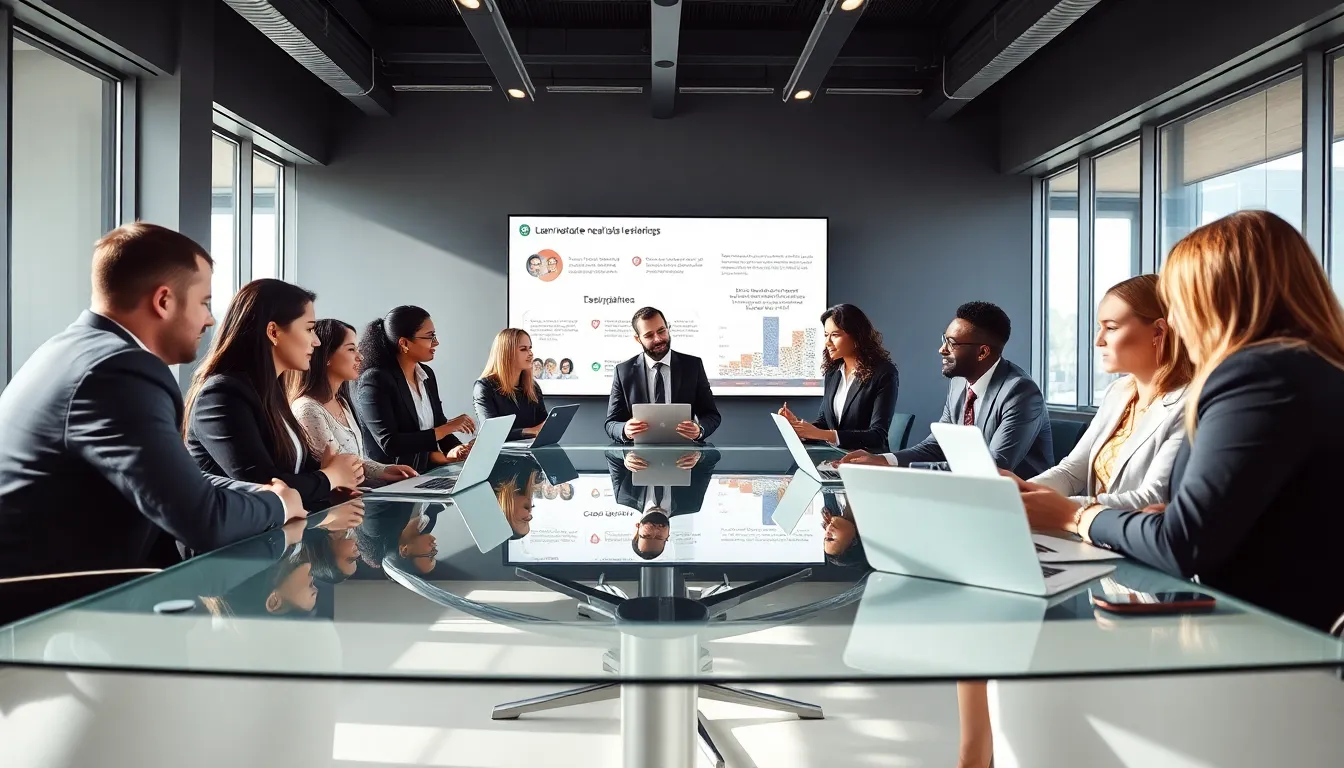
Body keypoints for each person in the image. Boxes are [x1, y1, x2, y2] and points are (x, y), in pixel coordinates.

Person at [1013, 210, 1344, 634]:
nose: (1180, 321)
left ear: (1218, 298)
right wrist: (1176, 516)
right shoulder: (1314, 367)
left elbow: (1184, 544)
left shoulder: (1254, 376)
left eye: (1182, 300)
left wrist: (1074, 517)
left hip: (1263, 635)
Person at [0, 223, 304, 622]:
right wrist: (276, 505)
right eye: (204, 302)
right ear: (164, 300)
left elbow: (178, 478)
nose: (210, 320)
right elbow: (202, 520)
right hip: (44, 617)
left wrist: (262, 492)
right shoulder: (121, 370)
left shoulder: (72, 349)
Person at [955, 275, 1193, 768]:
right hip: (1086, 538)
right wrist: (1026, 489)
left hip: (1133, 557)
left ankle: (990, 750)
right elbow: (1072, 468)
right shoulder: (1120, 393)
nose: (1098, 340)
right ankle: (976, 748)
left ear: (1159, 332)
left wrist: (1062, 511)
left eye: (1110, 327)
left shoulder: (1188, 402)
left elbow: (1153, 497)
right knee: (979, 583)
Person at [185, 280, 364, 512]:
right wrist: (329, 477)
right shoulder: (221, 395)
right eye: (309, 329)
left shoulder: (272, 393)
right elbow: (264, 485)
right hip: (235, 544)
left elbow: (293, 474)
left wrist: (330, 483)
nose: (316, 341)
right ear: (273, 332)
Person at [840, 301, 1052, 477]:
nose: (942, 350)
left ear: (982, 352)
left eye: (952, 343)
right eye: (944, 340)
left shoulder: (1020, 393)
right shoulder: (959, 383)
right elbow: (936, 445)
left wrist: (906, 471)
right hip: (967, 493)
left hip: (1020, 506)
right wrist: (885, 460)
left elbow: (993, 468)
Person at [289, 319, 420, 487]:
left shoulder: (341, 401)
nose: (360, 357)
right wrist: (383, 472)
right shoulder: (307, 409)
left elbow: (357, 461)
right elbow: (342, 468)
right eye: (351, 349)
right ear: (327, 356)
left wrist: (387, 470)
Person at [354, 305, 476, 474]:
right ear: (404, 343)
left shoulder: (427, 374)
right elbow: (390, 444)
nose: (436, 342)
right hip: (392, 482)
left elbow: (437, 425)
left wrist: (457, 449)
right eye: (430, 336)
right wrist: (448, 428)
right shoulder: (375, 380)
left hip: (425, 474)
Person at [778, 303, 899, 452]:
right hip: (835, 459)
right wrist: (798, 426)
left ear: (856, 335)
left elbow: (877, 436)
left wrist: (822, 434)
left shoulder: (884, 373)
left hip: (866, 463)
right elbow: (824, 423)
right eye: (825, 335)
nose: (827, 342)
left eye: (835, 335)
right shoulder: (833, 372)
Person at [605, 306, 721, 443]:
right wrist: (624, 430)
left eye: (661, 331)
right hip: (639, 458)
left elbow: (711, 415)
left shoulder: (693, 366)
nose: (658, 339)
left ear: (668, 328)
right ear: (638, 339)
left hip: (684, 456)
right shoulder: (623, 371)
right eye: (649, 335)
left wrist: (699, 430)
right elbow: (611, 423)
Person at [608, 448, 721, 560]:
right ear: (667, 536)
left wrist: (625, 456)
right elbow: (713, 456)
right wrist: (699, 456)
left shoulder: (624, 495)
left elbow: (610, 454)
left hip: (642, 436)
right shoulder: (691, 503)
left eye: (647, 535)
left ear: (637, 529)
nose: (656, 530)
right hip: (683, 437)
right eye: (659, 537)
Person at [474, 328, 549, 442]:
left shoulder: (533, 387)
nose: (530, 354)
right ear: (506, 353)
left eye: (530, 348)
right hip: (499, 456)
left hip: (530, 453)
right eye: (523, 349)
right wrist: (530, 431)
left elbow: (543, 425)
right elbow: (491, 432)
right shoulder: (484, 387)